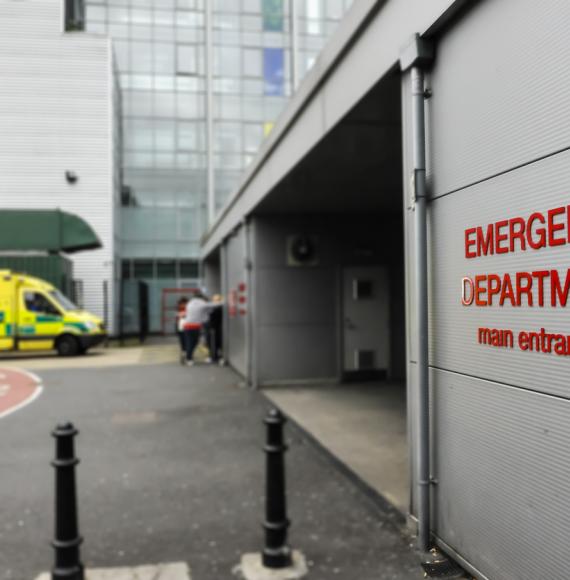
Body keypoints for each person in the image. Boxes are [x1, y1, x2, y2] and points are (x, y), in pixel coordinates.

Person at [183, 291, 220, 366]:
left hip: (187, 325)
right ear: (201, 298)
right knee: (192, 342)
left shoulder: (190, 303)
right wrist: (224, 302)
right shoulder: (200, 303)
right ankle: (188, 359)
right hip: (194, 326)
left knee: (191, 342)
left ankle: (188, 357)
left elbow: (204, 311)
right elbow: (212, 306)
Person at [208, 294, 224, 365]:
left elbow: (213, 320)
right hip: (217, 328)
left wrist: (211, 327)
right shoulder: (217, 308)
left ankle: (214, 357)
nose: (214, 301)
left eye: (217, 300)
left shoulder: (217, 309)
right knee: (217, 343)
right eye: (214, 300)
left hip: (215, 329)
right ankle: (216, 356)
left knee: (215, 343)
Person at [175, 296, 188, 364]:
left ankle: (185, 353)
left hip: (186, 327)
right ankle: (184, 353)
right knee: (183, 341)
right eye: (181, 304)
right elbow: (177, 320)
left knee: (185, 341)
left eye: (183, 303)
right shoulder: (179, 310)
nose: (182, 305)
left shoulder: (187, 309)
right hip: (181, 327)